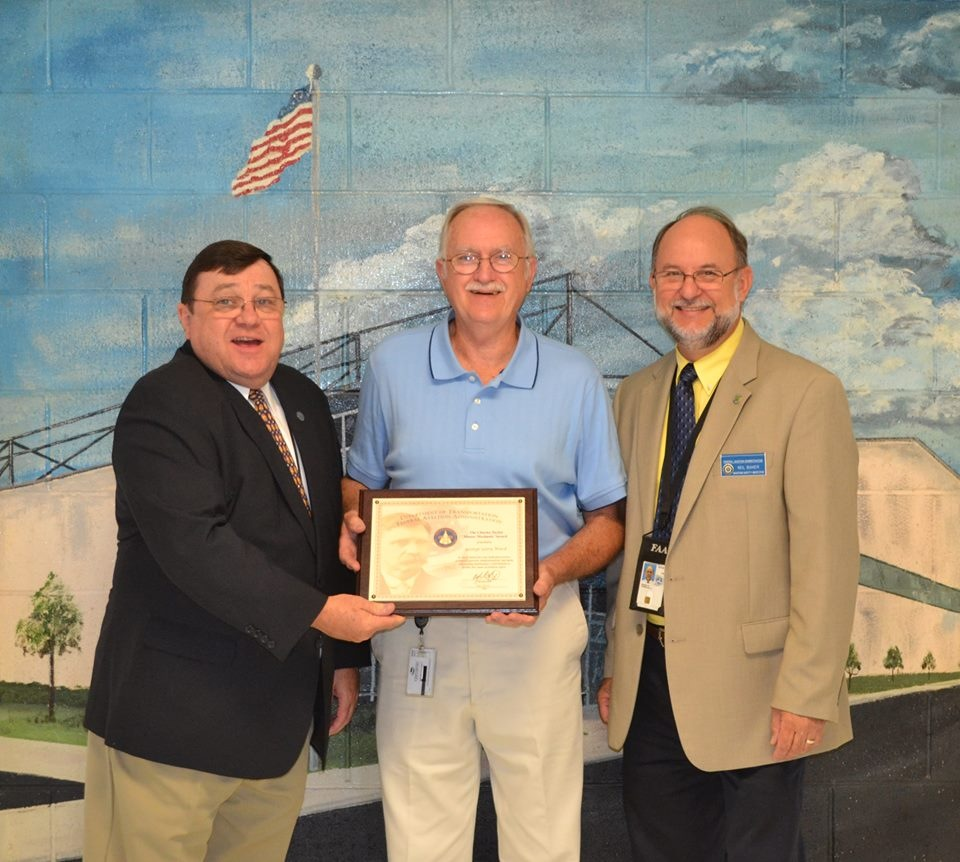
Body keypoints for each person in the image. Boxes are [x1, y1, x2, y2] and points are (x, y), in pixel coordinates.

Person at [83, 240, 404, 861]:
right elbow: (198, 548)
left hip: (276, 726)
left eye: (264, 301)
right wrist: (321, 616)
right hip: (171, 728)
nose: (248, 317)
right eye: (225, 302)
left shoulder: (304, 400)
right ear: (186, 317)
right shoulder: (161, 404)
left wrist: (339, 657)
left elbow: (320, 541)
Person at [340, 197, 627, 861]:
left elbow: (608, 522)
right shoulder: (391, 366)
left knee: (544, 837)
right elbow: (359, 481)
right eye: (467, 256)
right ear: (442, 271)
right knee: (421, 838)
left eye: (503, 256)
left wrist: (551, 572)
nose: (485, 272)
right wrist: (357, 516)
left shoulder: (575, 378)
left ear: (528, 272)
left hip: (533, 630)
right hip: (417, 635)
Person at [597, 207, 860, 861]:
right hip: (651, 687)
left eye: (709, 273)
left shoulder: (805, 393)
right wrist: (616, 668)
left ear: (742, 283)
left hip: (760, 692)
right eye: (674, 273)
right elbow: (634, 546)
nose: (691, 289)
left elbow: (826, 560)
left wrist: (807, 692)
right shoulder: (634, 396)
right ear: (655, 286)